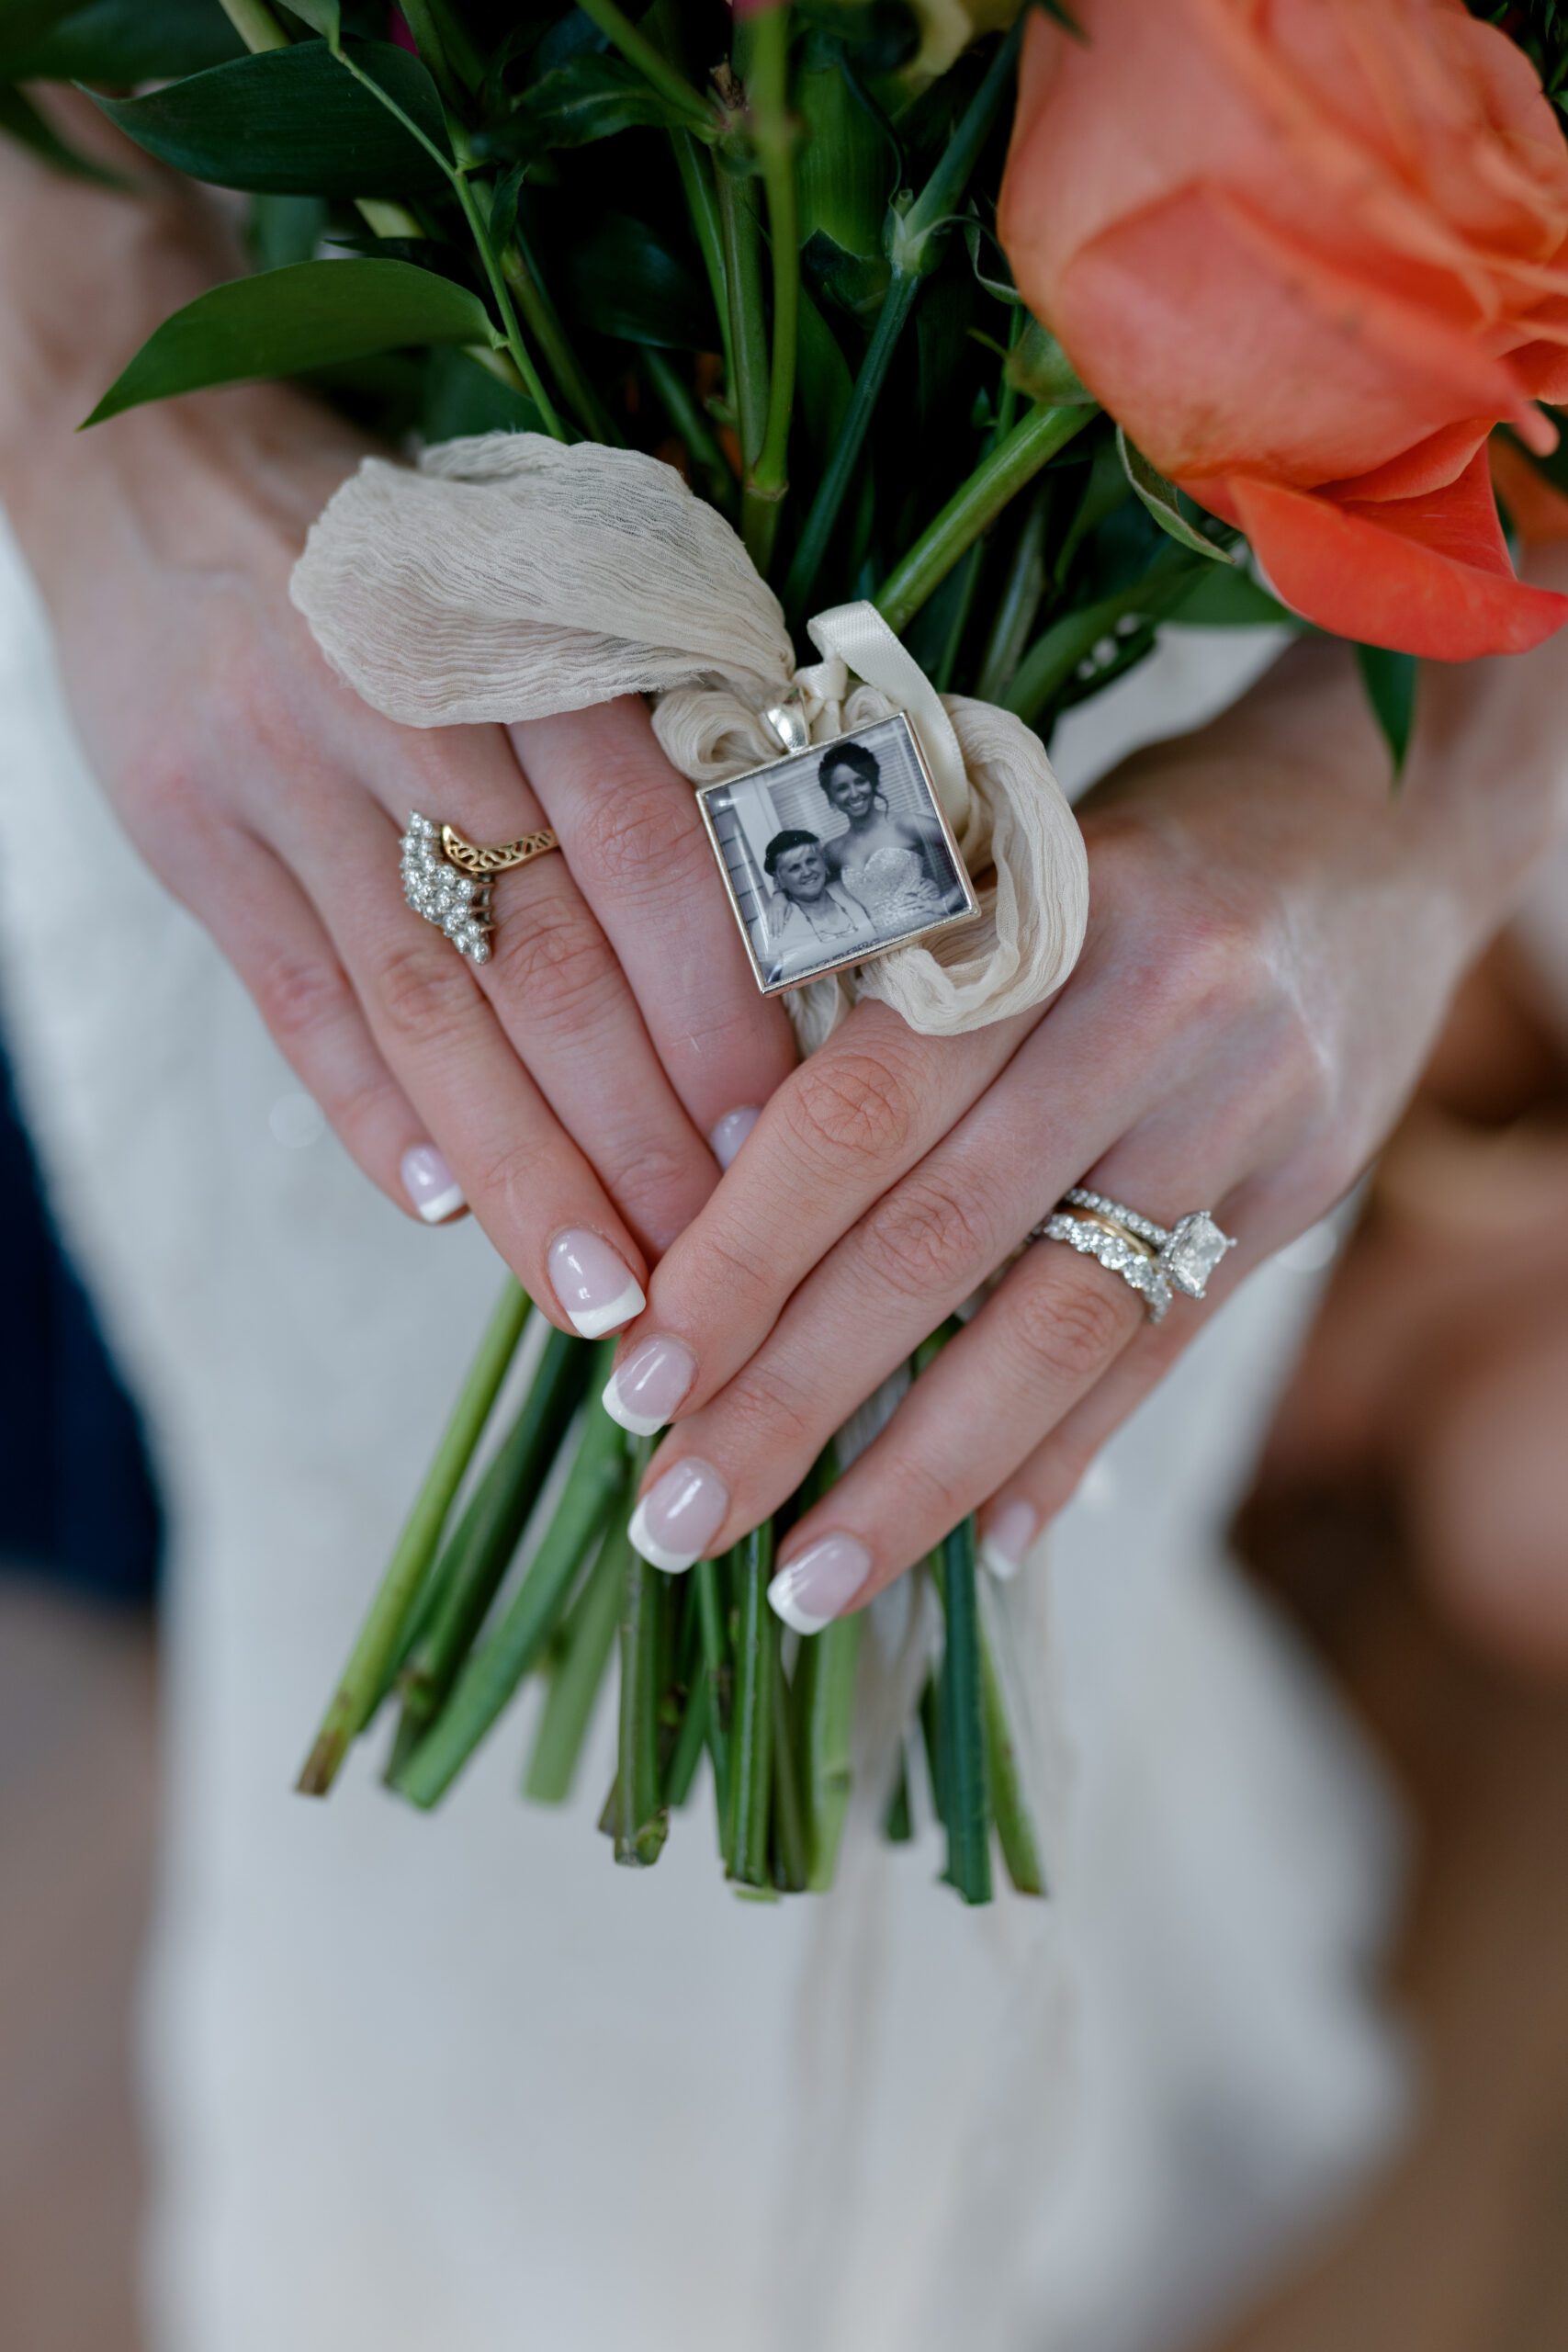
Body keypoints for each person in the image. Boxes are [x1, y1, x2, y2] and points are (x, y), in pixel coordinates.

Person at [3, 85, 1566, 2352]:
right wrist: (84, 413)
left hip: (1191, 651)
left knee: (1007, 1556)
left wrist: (1420, 831)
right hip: (303, 570)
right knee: (393, 1765)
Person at [816, 740, 964, 931]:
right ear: (832, 796)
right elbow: (807, 890)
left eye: (860, 781)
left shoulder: (907, 824)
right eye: (842, 788)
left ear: (873, 782)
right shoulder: (833, 850)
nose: (853, 794)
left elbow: (971, 842)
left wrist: (945, 903)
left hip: (926, 929)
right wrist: (779, 899)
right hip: (878, 946)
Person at [758, 827, 872, 983]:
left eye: (811, 861)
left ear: (824, 863)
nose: (806, 872)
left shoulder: (849, 889)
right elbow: (770, 985)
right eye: (794, 868)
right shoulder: (768, 925)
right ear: (779, 880)